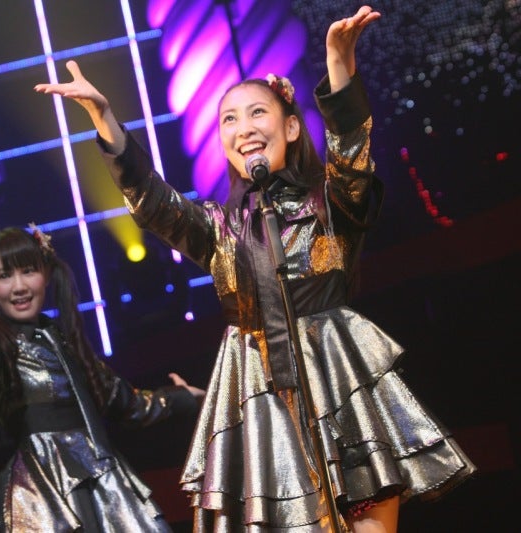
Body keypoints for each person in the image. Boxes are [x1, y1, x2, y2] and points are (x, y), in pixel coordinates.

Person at [34, 5, 476, 532]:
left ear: (291, 127)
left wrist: (339, 66)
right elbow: (151, 200)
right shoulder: (215, 228)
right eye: (229, 118)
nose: (243, 128)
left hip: (338, 379)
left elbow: (352, 157)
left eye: (257, 113)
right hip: (261, 397)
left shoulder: (331, 202)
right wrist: (104, 119)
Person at [0, 227, 205, 532]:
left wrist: (183, 397)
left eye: (28, 271)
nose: (18, 286)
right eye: (4, 276)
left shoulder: (66, 342)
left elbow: (125, 402)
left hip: (104, 483)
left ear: (46, 272)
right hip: (40, 492)